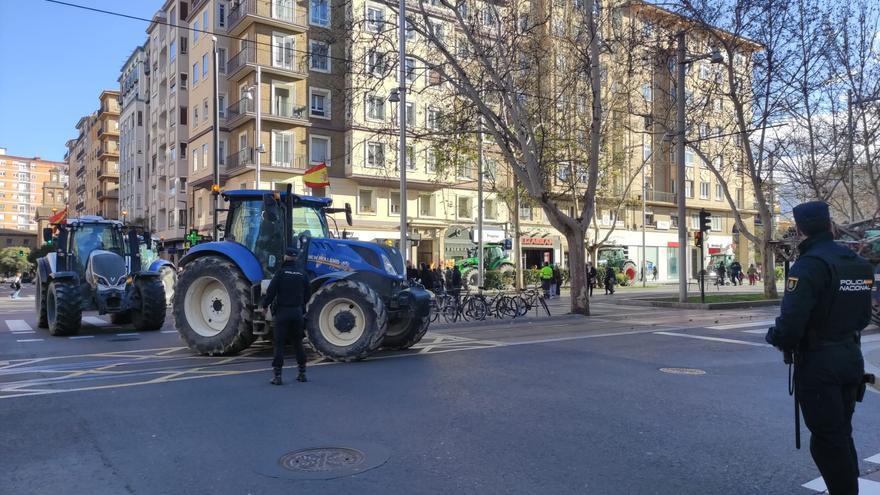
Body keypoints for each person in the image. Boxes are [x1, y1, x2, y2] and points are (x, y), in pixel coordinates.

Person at [765, 201, 874, 495]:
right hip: (851, 358)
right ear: (830, 225)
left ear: (799, 230)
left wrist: (775, 337)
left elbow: (791, 325)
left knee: (827, 440)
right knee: (840, 434)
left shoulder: (809, 266)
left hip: (819, 363)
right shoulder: (857, 262)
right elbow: (865, 317)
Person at [261, 247, 311, 386]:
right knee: (298, 343)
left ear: (285, 257)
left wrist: (265, 306)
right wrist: (301, 306)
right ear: (296, 258)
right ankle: (302, 373)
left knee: (279, 345)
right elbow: (308, 293)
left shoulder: (281, 273)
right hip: (297, 313)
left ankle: (278, 376)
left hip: (283, 313)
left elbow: (271, 291)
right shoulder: (302, 274)